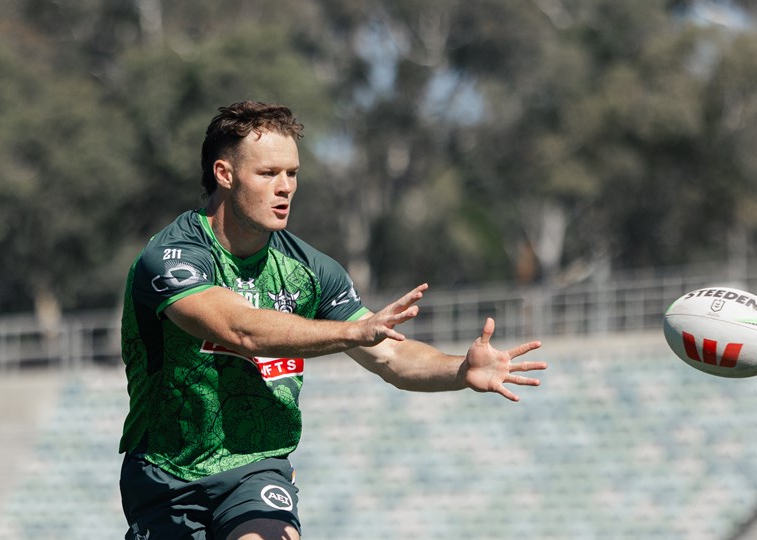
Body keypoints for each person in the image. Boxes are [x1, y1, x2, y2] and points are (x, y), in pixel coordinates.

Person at [118, 100, 546, 540]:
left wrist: (460, 369)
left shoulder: (311, 271)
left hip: (257, 466)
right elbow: (239, 329)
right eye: (268, 174)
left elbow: (391, 359)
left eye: (293, 173)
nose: (285, 187)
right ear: (224, 174)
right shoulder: (171, 257)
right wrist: (350, 332)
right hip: (164, 472)